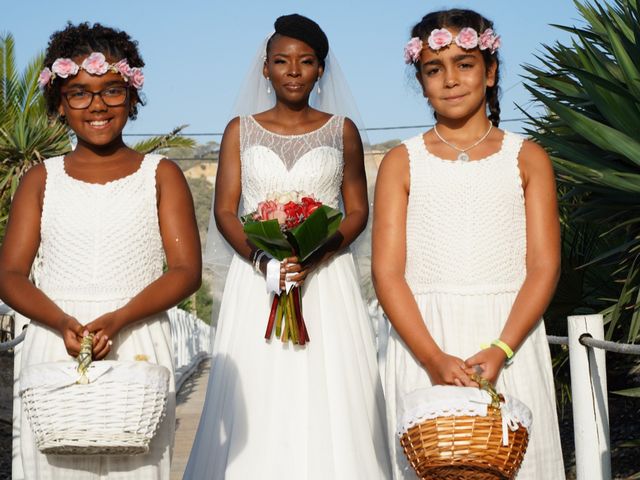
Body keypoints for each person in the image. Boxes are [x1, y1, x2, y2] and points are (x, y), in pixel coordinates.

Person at [184, 14, 391, 480]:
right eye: (282, 61)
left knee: (330, 388)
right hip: (257, 280)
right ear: (265, 68)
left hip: (325, 277)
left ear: (321, 70)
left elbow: (357, 210)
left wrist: (315, 257)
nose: (293, 70)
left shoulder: (343, 131)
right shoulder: (240, 129)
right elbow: (224, 210)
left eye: (305, 61)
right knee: (260, 386)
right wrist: (264, 261)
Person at [0, 22, 201, 479]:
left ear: (132, 96)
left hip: (136, 338)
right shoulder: (41, 178)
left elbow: (186, 270)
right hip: (55, 340)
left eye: (111, 91)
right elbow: (9, 274)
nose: (97, 105)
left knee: (138, 464)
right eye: (79, 93)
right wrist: (62, 322)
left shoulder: (161, 174)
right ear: (58, 103)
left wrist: (121, 318)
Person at [372, 9, 565, 479]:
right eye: (435, 69)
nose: (451, 80)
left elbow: (543, 266)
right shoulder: (401, 161)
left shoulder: (528, 157)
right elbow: (387, 272)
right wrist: (432, 356)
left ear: (491, 70)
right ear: (420, 80)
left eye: (465, 64)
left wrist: (502, 348)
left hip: (506, 337)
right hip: (423, 341)